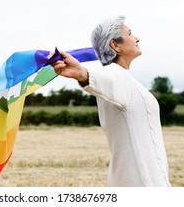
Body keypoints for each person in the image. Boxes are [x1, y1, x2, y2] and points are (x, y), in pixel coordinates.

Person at [51, 16, 171, 187]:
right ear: (115, 45)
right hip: (142, 183)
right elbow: (102, 77)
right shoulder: (115, 74)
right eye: (130, 34)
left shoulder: (125, 78)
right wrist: (80, 72)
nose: (137, 38)